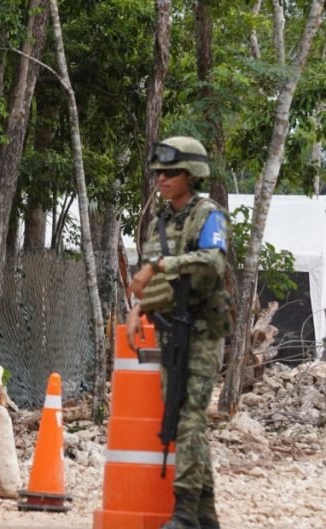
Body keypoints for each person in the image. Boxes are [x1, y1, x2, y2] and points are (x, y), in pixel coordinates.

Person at [127, 136, 231, 529]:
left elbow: (212, 262)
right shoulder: (163, 222)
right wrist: (140, 308)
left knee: (189, 419)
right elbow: (152, 283)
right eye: (158, 172)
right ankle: (206, 516)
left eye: (171, 172)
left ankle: (185, 513)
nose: (162, 179)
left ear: (192, 174)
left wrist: (160, 264)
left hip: (203, 329)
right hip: (170, 330)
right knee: (176, 416)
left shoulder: (209, 214)